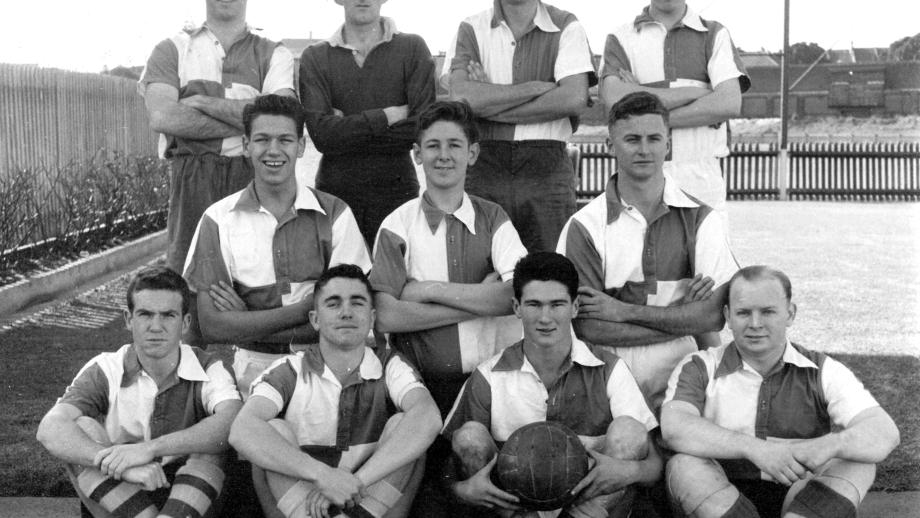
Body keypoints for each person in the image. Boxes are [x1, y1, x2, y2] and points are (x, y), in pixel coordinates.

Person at [661, 266, 900, 517]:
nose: (755, 324)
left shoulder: (823, 369)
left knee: (859, 463)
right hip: (719, 494)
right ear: (728, 316)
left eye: (767, 312)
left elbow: (885, 432)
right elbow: (674, 428)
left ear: (790, 314)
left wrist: (832, 444)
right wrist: (756, 449)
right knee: (683, 465)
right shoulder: (699, 365)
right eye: (743, 313)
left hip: (799, 494)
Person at [442, 252, 661, 518]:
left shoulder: (610, 369)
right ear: (516, 308)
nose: (545, 318)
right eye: (534, 304)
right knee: (469, 435)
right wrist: (461, 489)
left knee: (630, 429)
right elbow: (447, 469)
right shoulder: (488, 375)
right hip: (517, 510)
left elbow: (654, 466)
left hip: (590, 507)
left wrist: (630, 471)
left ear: (575, 307)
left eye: (557, 304)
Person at [557, 91, 738, 412]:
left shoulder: (701, 220)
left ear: (668, 145)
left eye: (654, 138)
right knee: (625, 451)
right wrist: (684, 317)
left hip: (683, 375)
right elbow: (587, 325)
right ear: (609, 145)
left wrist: (622, 310)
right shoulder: (584, 226)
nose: (644, 149)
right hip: (606, 378)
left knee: (687, 460)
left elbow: (713, 316)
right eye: (632, 139)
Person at [183, 94, 371, 399]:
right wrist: (305, 309)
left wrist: (245, 319)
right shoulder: (217, 219)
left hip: (325, 362)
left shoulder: (336, 214)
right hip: (250, 370)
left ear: (301, 146)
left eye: (285, 139)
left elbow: (343, 320)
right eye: (262, 139)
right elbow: (214, 326)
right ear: (246, 145)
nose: (273, 150)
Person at [229, 264, 442, 518]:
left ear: (372, 318)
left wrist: (356, 482)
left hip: (368, 502)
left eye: (357, 303)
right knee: (271, 430)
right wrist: (324, 477)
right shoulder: (289, 369)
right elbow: (241, 430)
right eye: (333, 303)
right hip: (305, 507)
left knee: (406, 425)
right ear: (315, 320)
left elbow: (429, 417)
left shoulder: (390, 365)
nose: (346, 313)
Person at [36, 266, 242, 517]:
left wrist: (150, 449)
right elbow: (50, 428)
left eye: (168, 315)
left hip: (190, 492)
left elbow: (231, 421)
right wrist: (120, 467)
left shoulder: (208, 367)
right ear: (128, 320)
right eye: (145, 314)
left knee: (212, 444)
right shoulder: (106, 367)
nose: (156, 326)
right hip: (120, 491)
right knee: (80, 427)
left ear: (185, 323)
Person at [370, 100, 528, 417]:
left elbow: (518, 294)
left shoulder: (494, 218)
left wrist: (427, 289)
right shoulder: (396, 226)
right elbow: (387, 316)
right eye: (433, 146)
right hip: (420, 384)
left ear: (472, 153)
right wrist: (478, 302)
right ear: (417, 154)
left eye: (454, 145)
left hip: (490, 380)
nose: (444, 155)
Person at [139, 0, 295, 276]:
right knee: (190, 280)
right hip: (192, 177)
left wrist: (201, 102)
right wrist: (252, 119)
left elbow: (282, 120)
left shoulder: (274, 52)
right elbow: (164, 118)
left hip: (252, 174)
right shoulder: (171, 48)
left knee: (258, 279)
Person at [443, 0, 596, 253]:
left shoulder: (567, 24)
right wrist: (535, 88)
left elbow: (573, 98)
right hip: (484, 161)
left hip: (546, 164)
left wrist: (488, 100)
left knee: (549, 272)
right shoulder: (471, 27)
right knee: (483, 268)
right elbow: (462, 98)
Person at [300, 0, 436, 246]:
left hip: (397, 191)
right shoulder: (315, 57)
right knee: (338, 281)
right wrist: (387, 116)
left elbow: (420, 128)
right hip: (335, 193)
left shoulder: (413, 48)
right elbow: (321, 136)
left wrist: (344, 128)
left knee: (393, 279)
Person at [600, 0, 750, 216]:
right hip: (639, 177)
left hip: (701, 178)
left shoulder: (714, 33)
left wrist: (638, 97)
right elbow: (614, 98)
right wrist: (699, 94)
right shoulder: (621, 37)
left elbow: (729, 102)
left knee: (705, 248)